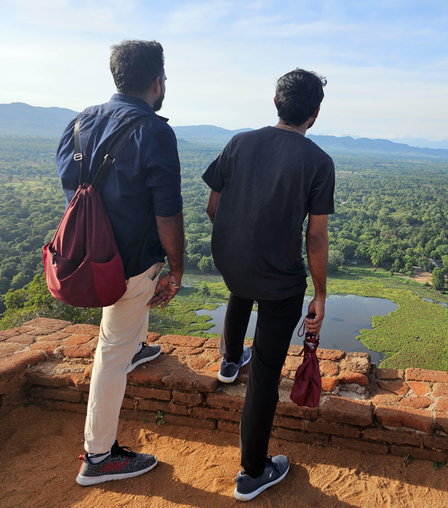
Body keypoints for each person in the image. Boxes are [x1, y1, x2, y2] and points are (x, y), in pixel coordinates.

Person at [55, 40, 184, 486]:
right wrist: (177, 266)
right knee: (111, 353)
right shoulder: (154, 131)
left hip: (87, 255)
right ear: (157, 82)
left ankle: (137, 347)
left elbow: (75, 194)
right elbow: (167, 211)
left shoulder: (77, 123)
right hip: (128, 264)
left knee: (123, 332)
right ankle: (99, 455)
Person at [203, 68, 334, 502]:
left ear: (275, 103)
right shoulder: (317, 161)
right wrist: (320, 294)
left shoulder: (239, 142)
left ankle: (227, 360)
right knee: (264, 372)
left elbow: (213, 205)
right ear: (315, 113)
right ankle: (252, 471)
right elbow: (315, 237)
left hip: (230, 263)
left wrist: (239, 242)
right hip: (279, 281)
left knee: (242, 287)